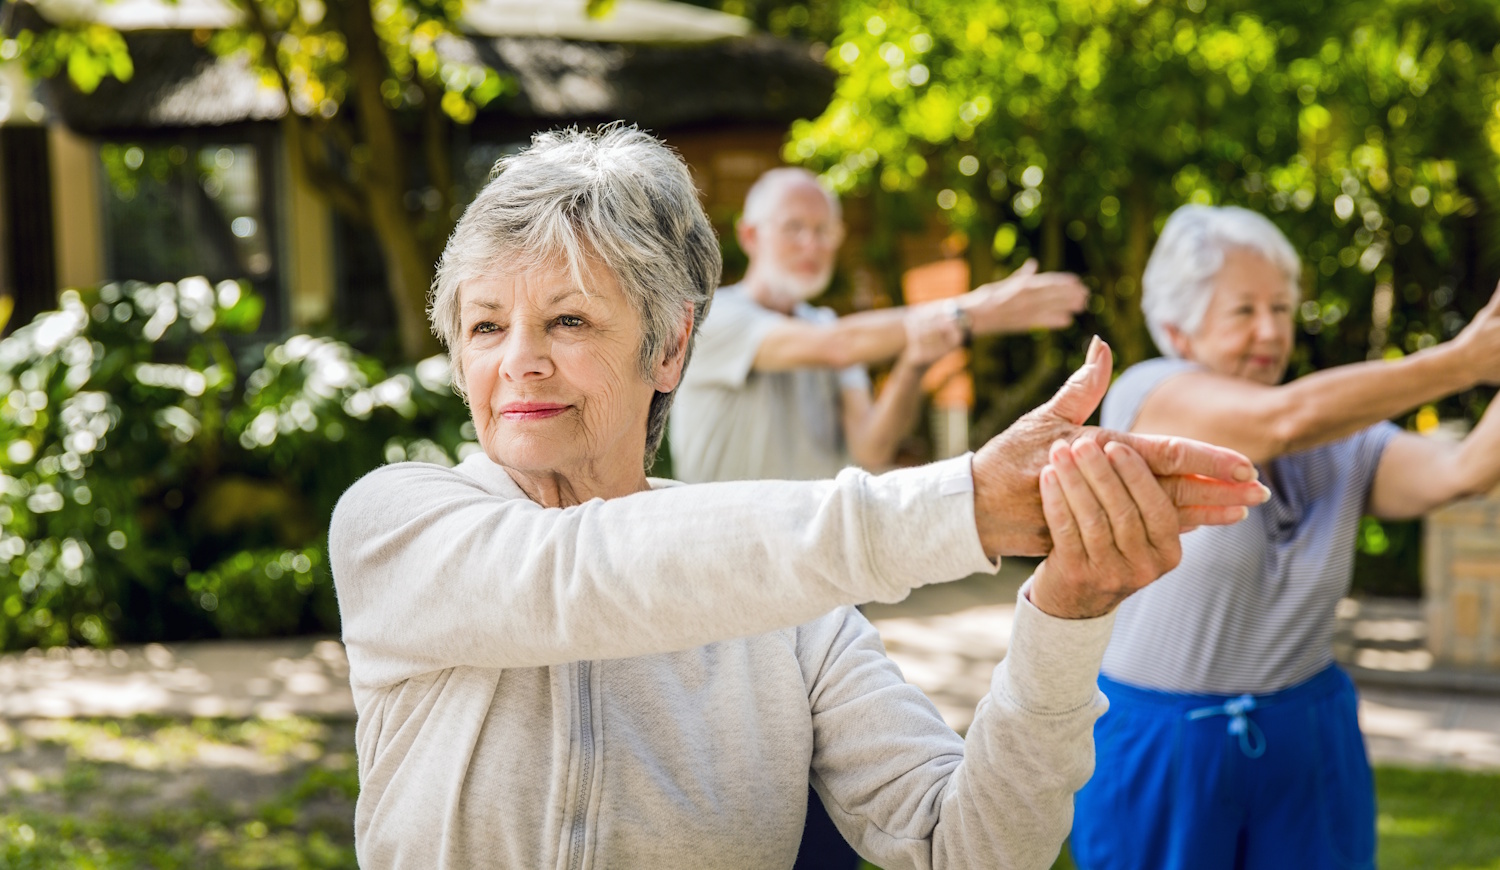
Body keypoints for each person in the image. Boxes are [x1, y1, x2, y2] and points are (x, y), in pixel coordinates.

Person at [328, 128, 1267, 870]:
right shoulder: (394, 524)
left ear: (667, 348)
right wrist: (967, 503)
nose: (518, 358)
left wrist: (1066, 614)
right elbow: (580, 575)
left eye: (568, 320)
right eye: (486, 325)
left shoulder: (798, 624)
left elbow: (966, 848)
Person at [1069, 204, 1500, 870]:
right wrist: (1464, 361)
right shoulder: (1147, 397)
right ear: (1180, 328)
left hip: (1308, 732)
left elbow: (1463, 471)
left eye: (1282, 308)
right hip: (1163, 743)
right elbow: (1281, 420)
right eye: (1244, 311)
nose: (1272, 330)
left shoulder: (1343, 438)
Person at [668, 167, 1089, 485]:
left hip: (814, 567)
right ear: (750, 235)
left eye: (824, 230)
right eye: (794, 228)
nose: (811, 244)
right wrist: (973, 311)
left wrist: (914, 365)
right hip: (728, 560)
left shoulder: (824, 323)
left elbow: (871, 448)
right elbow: (838, 346)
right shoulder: (713, 316)